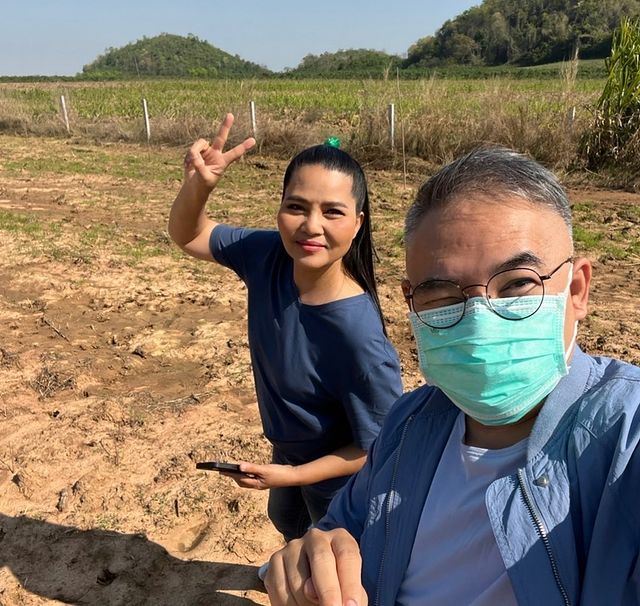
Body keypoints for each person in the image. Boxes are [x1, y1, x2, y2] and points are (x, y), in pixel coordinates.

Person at [264, 146, 640, 605]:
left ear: (577, 289)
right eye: (442, 294)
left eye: (517, 284)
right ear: (411, 302)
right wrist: (314, 556)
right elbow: (341, 529)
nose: (481, 320)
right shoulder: (407, 425)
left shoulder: (627, 434)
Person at [168, 114, 403, 551]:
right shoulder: (268, 256)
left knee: (326, 555)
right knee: (286, 521)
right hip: (286, 453)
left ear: (358, 223)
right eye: (297, 206)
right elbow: (190, 235)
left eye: (332, 212)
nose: (311, 225)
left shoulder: (358, 336)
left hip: (338, 479)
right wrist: (199, 186)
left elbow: (379, 447)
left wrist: (293, 475)